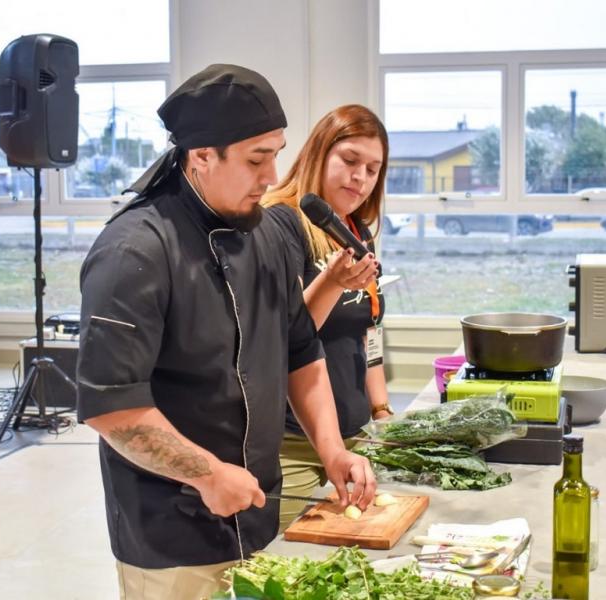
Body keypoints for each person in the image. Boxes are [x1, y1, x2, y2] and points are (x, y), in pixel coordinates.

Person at [76, 65, 376, 600]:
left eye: (277, 153)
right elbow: (111, 407)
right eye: (257, 159)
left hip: (260, 513)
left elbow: (300, 351)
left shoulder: (264, 236)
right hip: (169, 532)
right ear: (200, 156)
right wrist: (209, 473)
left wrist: (331, 451)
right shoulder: (134, 251)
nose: (271, 175)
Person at [262, 104, 392, 530]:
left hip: (353, 436)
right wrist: (333, 281)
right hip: (292, 443)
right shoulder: (280, 224)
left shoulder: (356, 230)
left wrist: (381, 410)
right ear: (319, 153)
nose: (361, 177)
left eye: (373, 169)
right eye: (350, 161)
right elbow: (286, 340)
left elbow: (367, 329)